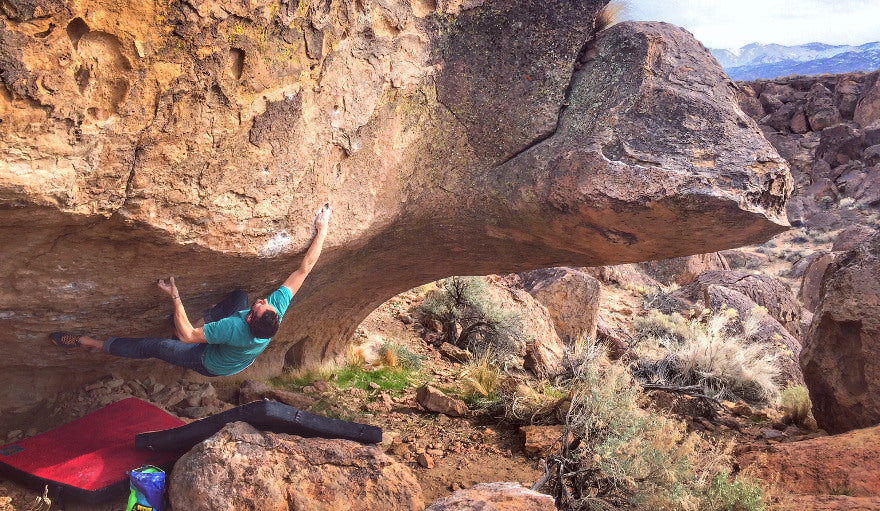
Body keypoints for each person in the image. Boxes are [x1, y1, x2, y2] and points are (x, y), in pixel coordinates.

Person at [49, 203, 332, 377]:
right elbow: (303, 269)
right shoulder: (273, 313)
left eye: (259, 306)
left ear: (249, 319)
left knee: (156, 346)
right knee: (238, 297)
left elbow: (186, 338)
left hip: (210, 363)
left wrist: (175, 297)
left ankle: (92, 343)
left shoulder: (234, 329)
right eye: (266, 304)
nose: (263, 300)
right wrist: (322, 230)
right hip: (230, 349)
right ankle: (201, 334)